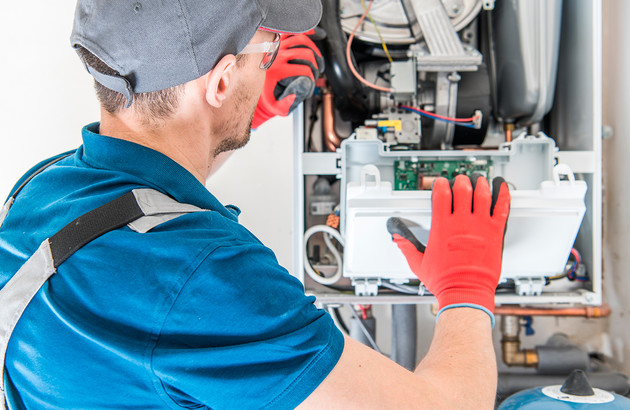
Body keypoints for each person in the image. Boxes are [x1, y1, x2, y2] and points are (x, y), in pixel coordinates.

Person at [0, 0, 510, 408]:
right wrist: (467, 289)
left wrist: (235, 121)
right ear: (220, 83)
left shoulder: (46, 187)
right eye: (267, 53)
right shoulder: (205, 279)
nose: (272, 67)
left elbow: (142, 206)